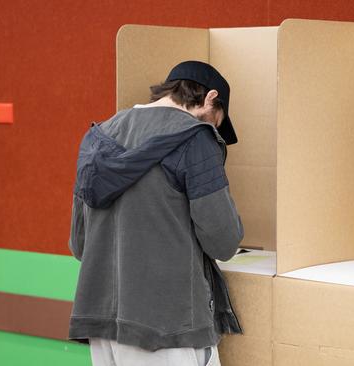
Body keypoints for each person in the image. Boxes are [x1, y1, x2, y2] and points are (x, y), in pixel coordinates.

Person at [67, 60, 244, 366]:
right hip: (167, 328)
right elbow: (223, 241)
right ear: (210, 98)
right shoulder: (196, 138)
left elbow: (79, 244)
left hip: (101, 325)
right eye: (217, 121)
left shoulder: (98, 138)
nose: (214, 128)